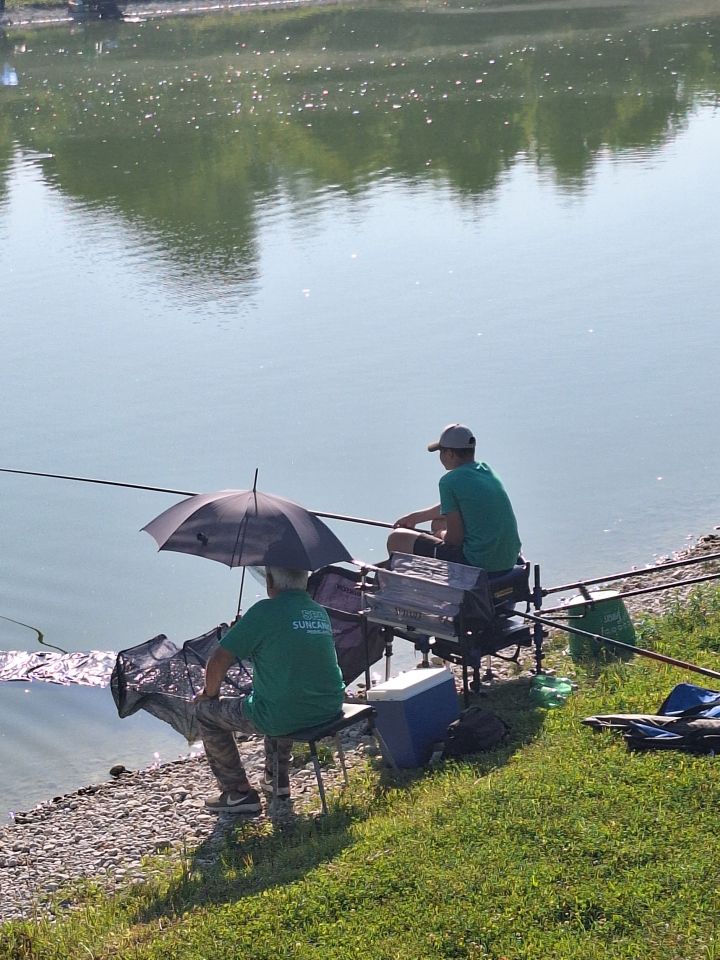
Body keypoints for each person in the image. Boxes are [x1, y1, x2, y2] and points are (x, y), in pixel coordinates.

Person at [194, 566, 345, 814]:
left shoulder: (264, 611)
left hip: (285, 714)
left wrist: (209, 695)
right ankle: (277, 781)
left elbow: (219, 659)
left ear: (271, 580)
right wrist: (246, 632)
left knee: (205, 712)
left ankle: (238, 792)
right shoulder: (317, 611)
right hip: (328, 707)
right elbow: (284, 650)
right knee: (278, 696)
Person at [387, 423, 521, 576]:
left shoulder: (449, 481)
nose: (440, 457)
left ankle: (410, 591)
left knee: (397, 538)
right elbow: (456, 505)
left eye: (441, 452)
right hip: (507, 560)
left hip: (477, 563)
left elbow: (454, 540)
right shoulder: (485, 470)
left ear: (450, 454)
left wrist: (439, 534)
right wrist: (416, 517)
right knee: (438, 522)